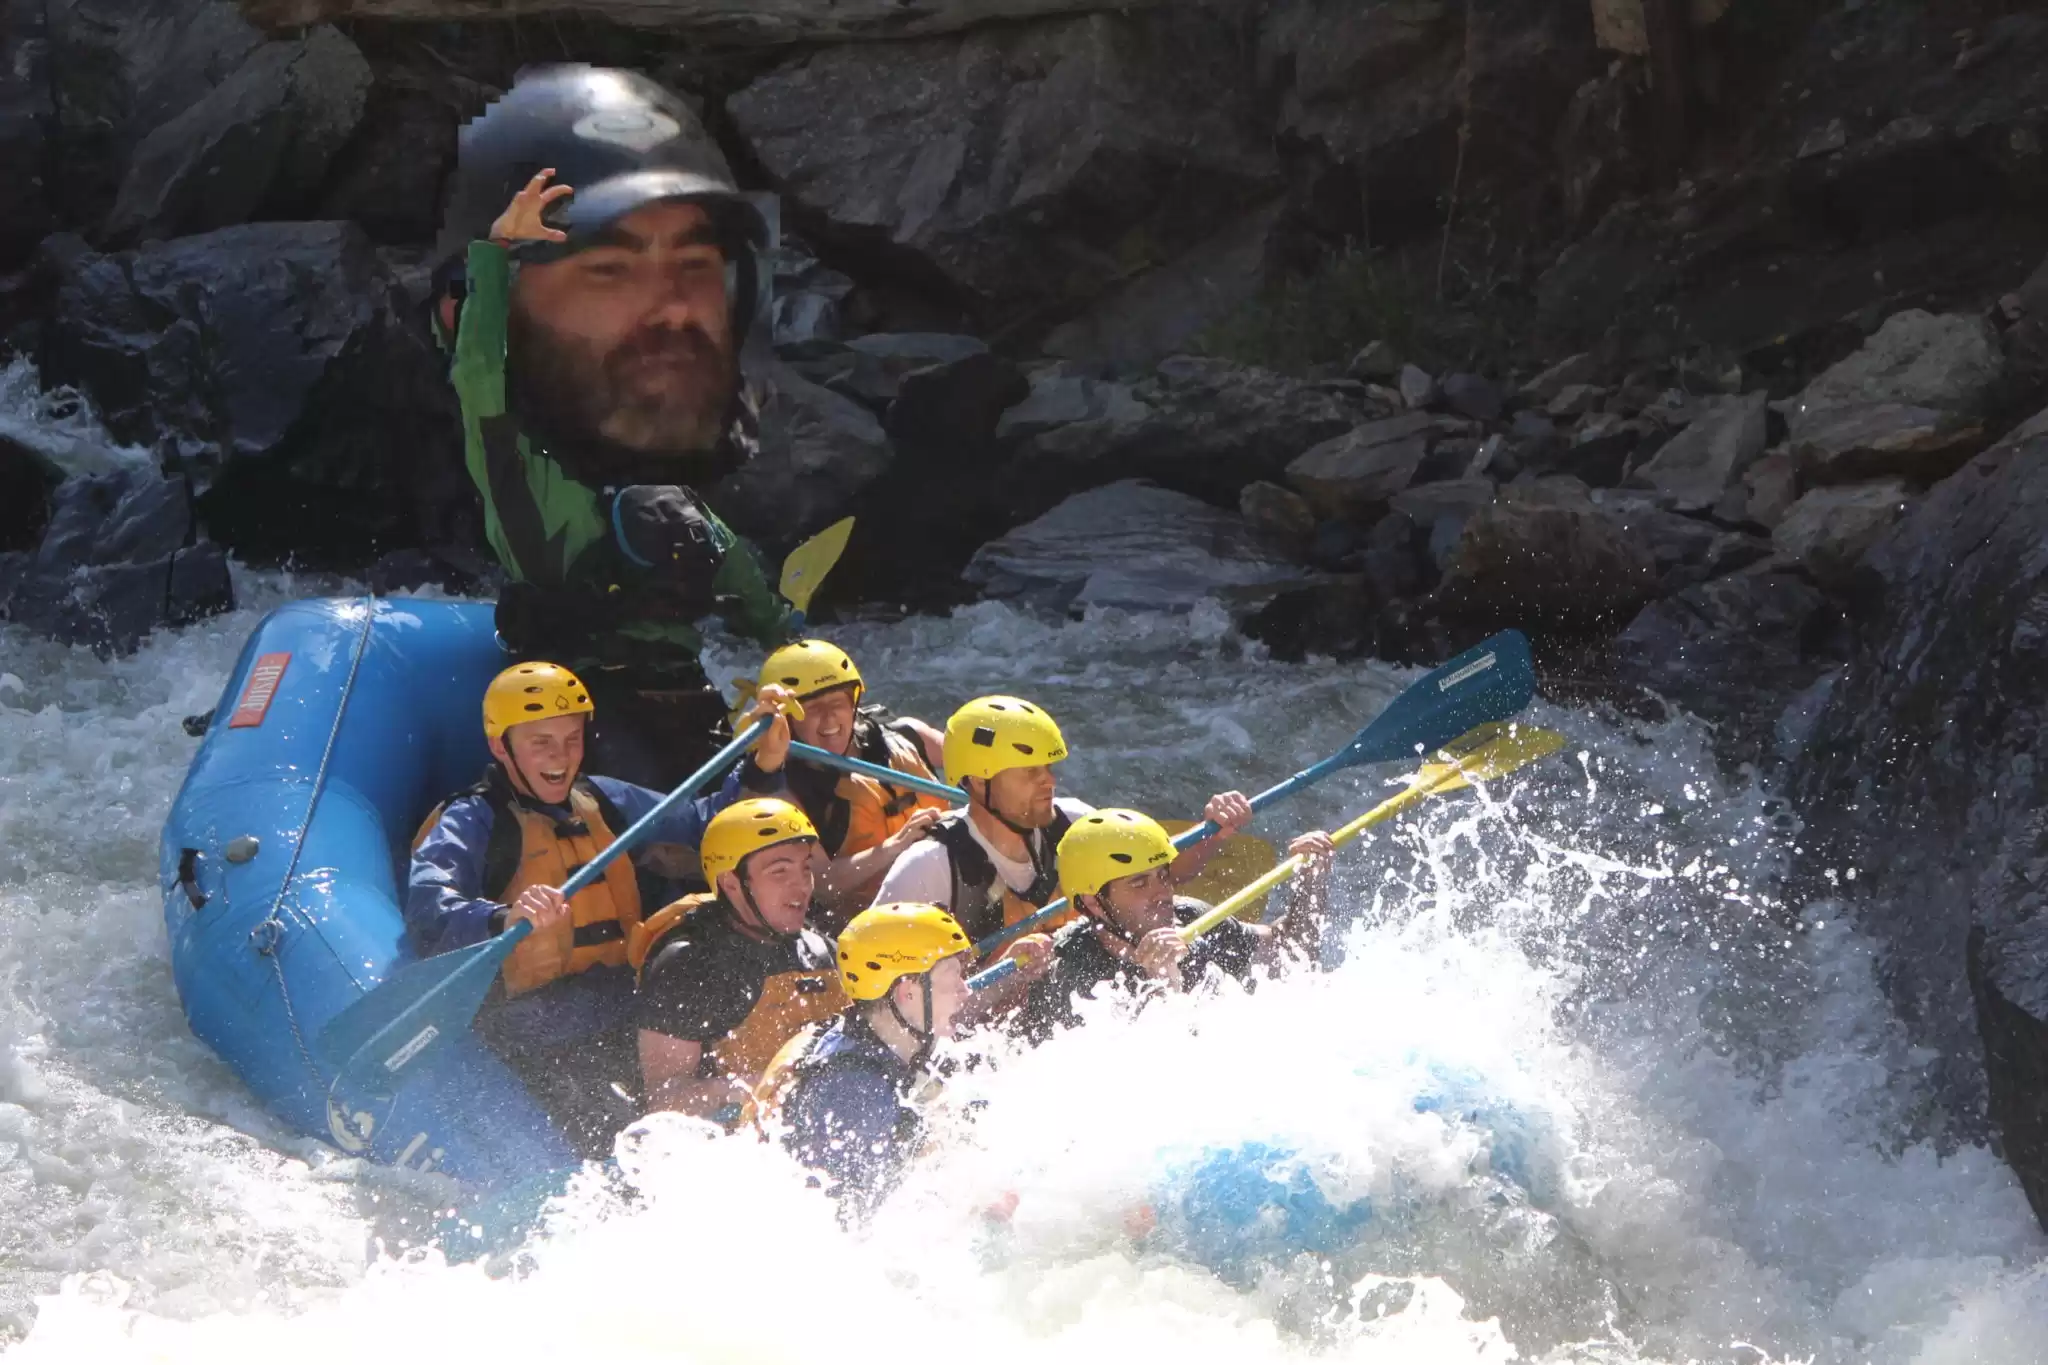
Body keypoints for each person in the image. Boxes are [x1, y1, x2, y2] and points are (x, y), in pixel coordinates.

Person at [431, 64, 796, 789]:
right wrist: (792, 642)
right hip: (656, 703)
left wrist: (494, 254)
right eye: (610, 272)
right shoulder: (664, 505)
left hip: (617, 708)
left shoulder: (576, 491)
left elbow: (478, 374)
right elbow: (756, 602)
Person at [406, 661, 795, 1157]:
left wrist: (763, 766)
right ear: (501, 747)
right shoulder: (473, 819)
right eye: (541, 742)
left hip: (626, 1006)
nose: (561, 755)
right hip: (537, 1029)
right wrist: (502, 917)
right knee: (612, 1138)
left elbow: (712, 824)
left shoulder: (602, 799)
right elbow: (430, 907)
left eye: (571, 739)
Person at [871, 695, 1257, 1014]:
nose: (1049, 781)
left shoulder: (1073, 822)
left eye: (1048, 768)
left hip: (1081, 1007)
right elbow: (882, 998)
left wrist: (1213, 832)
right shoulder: (928, 867)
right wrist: (1004, 975)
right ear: (977, 781)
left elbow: (1151, 878)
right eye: (1030, 772)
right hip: (987, 1042)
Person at [1016, 809, 1335, 1043]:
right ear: (1095, 903)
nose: (1163, 893)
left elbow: (1293, 954)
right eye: (1140, 883)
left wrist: (1311, 881)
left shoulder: (1190, 918)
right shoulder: (1069, 968)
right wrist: (1164, 977)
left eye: (1163, 876)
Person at [628, 798, 849, 1123]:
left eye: (805, 868)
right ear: (730, 883)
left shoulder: (820, 949)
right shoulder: (688, 965)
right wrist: (744, 1088)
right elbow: (664, 1100)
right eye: (780, 872)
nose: (802, 885)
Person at [755, 902, 975, 1221]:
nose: (965, 991)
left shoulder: (882, 1046)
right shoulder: (852, 1092)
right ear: (908, 993)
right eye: (953, 977)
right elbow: (856, 1225)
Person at [733, 638, 949, 924]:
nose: (829, 718)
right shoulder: (783, 790)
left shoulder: (907, 735)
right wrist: (896, 845)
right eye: (812, 708)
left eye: (837, 703)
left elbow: (980, 767)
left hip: (948, 893)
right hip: (871, 925)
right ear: (789, 720)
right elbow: (823, 885)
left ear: (854, 703)